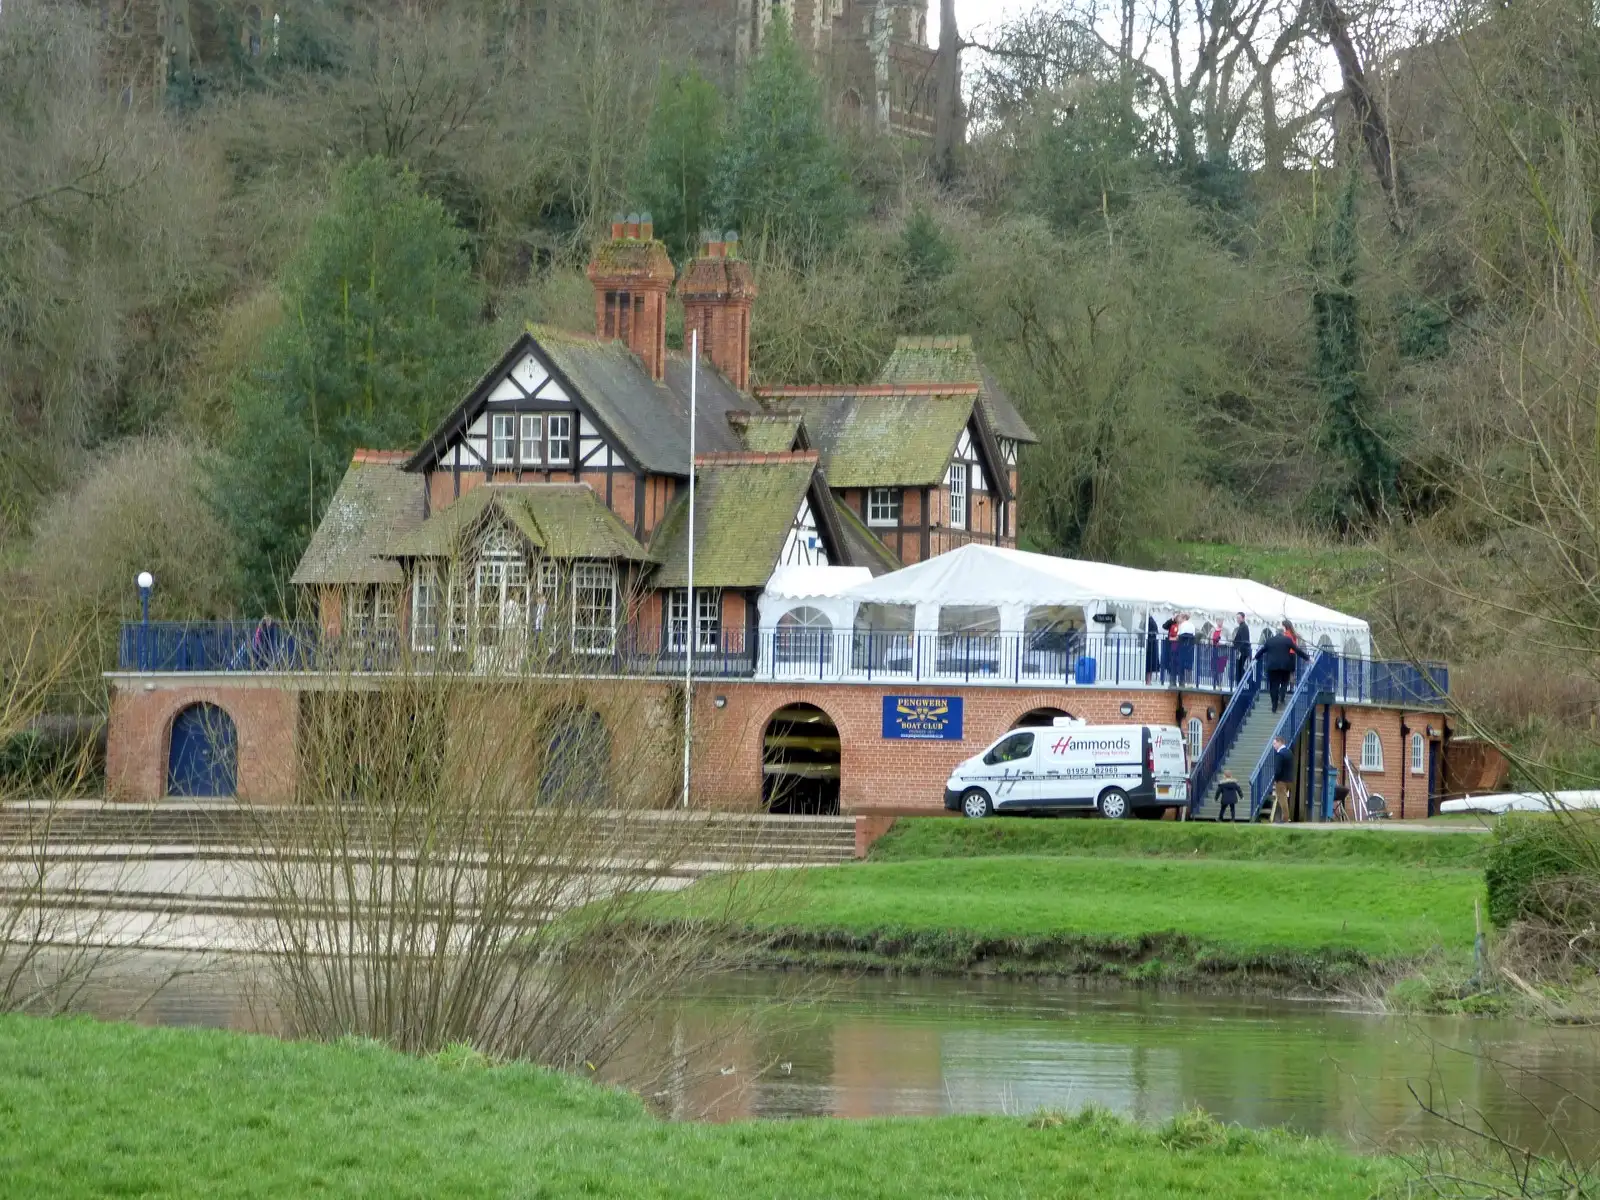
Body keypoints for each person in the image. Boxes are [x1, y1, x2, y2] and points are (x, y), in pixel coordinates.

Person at [1257, 623, 1297, 712]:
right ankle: (1282, 697)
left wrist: (1255, 657)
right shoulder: (1291, 637)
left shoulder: (1272, 640)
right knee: (1284, 681)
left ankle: (1274, 704)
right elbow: (1295, 649)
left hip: (1275, 663)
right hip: (1289, 660)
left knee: (1274, 684)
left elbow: (1263, 650)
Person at [1270, 736, 1295, 822]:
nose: (1274, 746)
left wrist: (1276, 779)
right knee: (1285, 798)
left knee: (1282, 799)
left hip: (1281, 780)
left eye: (1274, 743)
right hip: (1290, 780)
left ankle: (1285, 818)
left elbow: (1278, 769)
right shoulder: (1289, 752)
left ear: (1279, 742)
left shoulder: (1280, 754)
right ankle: (1286, 817)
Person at [1175, 612, 1196, 686]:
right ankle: (1189, 682)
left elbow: (1178, 636)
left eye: (1180, 617)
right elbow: (1194, 635)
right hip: (1190, 647)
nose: (1179, 619)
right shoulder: (1192, 625)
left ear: (1183, 618)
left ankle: (1182, 681)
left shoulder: (1182, 625)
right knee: (1189, 664)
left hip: (1183, 646)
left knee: (1181, 663)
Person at [1231, 613, 1251, 687]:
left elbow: (1244, 640)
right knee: (1239, 667)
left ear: (1243, 618)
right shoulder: (1242, 627)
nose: (1237, 620)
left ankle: (1241, 683)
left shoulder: (1244, 627)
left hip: (1242, 651)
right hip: (1242, 651)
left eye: (1239, 618)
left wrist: (1238, 649)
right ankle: (1241, 682)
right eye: (1237, 618)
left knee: (1239, 667)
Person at [1144, 615, 1160, 685]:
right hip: (1150, 646)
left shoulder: (1150, 622)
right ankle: (1148, 681)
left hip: (1150, 646)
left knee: (1149, 664)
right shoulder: (1150, 621)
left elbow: (1153, 632)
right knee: (1149, 664)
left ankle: (1148, 681)